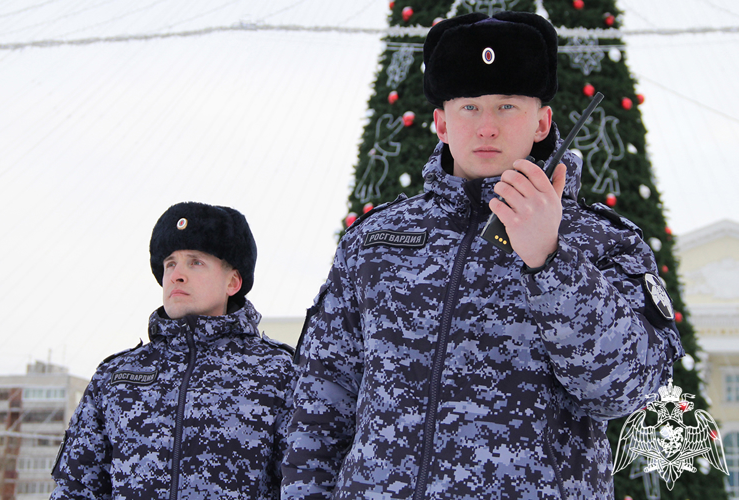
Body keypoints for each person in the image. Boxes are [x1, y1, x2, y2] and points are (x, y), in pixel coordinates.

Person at [282, 11, 683, 499]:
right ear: (441, 123)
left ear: (542, 122)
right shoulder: (374, 241)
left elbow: (624, 389)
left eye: (507, 106)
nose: (487, 127)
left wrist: (552, 261)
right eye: (469, 107)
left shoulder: (602, 242)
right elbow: (320, 400)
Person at [51, 202, 296, 500]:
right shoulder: (115, 378)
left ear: (233, 282)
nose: (177, 275)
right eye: (170, 263)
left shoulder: (280, 373)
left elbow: (307, 482)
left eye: (195, 262)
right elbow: (74, 489)